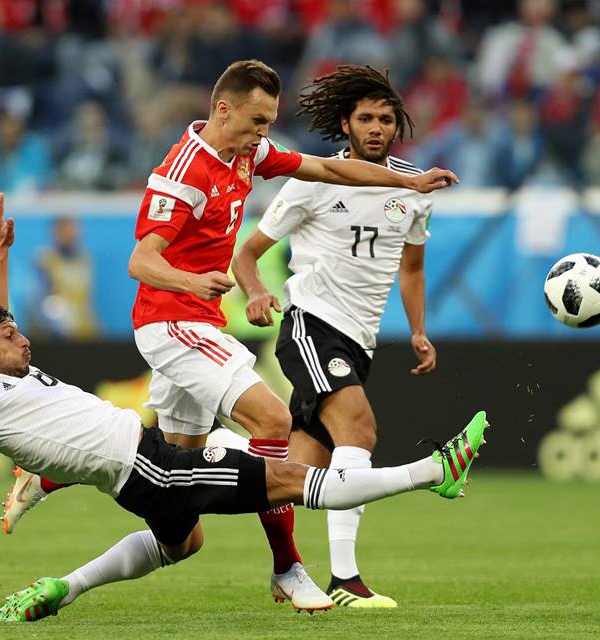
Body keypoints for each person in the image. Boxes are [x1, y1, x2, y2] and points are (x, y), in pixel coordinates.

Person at [0, 188, 490, 625]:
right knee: (294, 476)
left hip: (139, 474)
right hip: (150, 466)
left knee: (184, 545)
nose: (24, 337)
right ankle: (435, 471)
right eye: (10, 336)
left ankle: (63, 587)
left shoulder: (0, 372)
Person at [1, 58, 459, 610]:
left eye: (269, 123)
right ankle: (288, 568)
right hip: (171, 321)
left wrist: (408, 181)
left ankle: (49, 479)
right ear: (224, 110)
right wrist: (193, 281)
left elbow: (328, 169)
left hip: (197, 321)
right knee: (274, 421)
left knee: (176, 494)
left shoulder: (248, 153)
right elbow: (141, 261)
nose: (263, 134)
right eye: (257, 121)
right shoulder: (182, 174)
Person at [230, 65, 435, 608]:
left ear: (397, 126)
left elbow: (411, 268)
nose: (376, 128)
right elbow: (247, 254)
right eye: (365, 118)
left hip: (359, 341)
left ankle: (197, 462)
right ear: (345, 124)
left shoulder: (413, 188)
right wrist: (256, 291)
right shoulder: (313, 181)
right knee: (359, 430)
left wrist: (418, 330)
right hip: (312, 323)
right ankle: (345, 579)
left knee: (293, 472)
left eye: (386, 119)